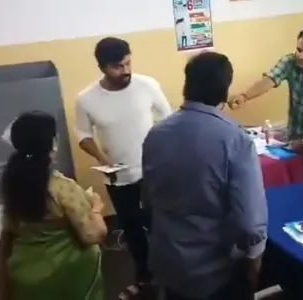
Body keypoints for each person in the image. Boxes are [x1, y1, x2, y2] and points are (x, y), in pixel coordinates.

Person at [142, 51, 268, 300]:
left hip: (168, 260)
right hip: (215, 269)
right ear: (224, 89)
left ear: (186, 85)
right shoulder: (235, 139)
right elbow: (250, 222)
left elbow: (148, 200)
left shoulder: (155, 134)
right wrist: (254, 259)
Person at [75, 37, 172, 296]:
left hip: (154, 172)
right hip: (119, 177)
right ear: (102, 67)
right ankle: (144, 277)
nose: (126, 71)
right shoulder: (86, 99)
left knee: (162, 224)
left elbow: (169, 120)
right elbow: (83, 134)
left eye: (128, 63)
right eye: (118, 67)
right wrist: (100, 157)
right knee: (131, 229)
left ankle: (171, 274)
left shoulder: (147, 85)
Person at [0, 111, 107, 300]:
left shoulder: (12, 182)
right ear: (52, 142)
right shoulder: (61, 186)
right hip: (66, 274)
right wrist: (96, 208)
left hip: (25, 274)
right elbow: (93, 235)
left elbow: (8, 231)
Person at [228, 27, 303, 177]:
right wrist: (244, 96)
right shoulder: (290, 61)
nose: (301, 56)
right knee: (299, 177)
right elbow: (269, 79)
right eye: (299, 50)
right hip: (296, 134)